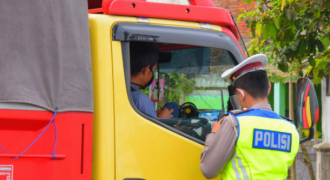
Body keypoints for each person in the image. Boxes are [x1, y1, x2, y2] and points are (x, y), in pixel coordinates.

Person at [200, 54, 300, 180]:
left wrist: (213, 133)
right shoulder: (291, 129)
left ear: (240, 94)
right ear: (268, 88)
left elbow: (208, 170)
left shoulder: (234, 123)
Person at [130, 42, 173, 118]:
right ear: (146, 70)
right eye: (154, 69)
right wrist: (162, 120)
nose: (153, 73)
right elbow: (150, 130)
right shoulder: (140, 100)